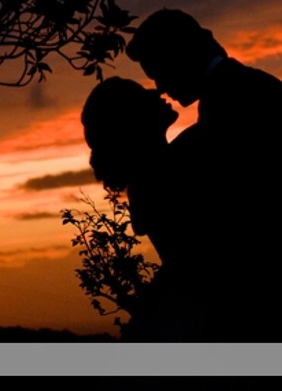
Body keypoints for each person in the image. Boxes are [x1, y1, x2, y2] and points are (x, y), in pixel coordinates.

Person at [124, 8, 282, 341]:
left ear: (180, 57)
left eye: (158, 71)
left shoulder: (234, 97)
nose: (159, 87)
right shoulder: (237, 91)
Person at [81, 77, 220, 341]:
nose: (157, 92)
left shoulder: (164, 169)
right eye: (142, 94)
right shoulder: (163, 176)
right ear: (133, 121)